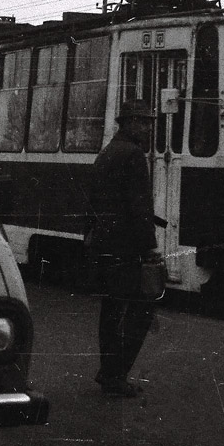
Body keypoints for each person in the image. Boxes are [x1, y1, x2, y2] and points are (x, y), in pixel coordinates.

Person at [86, 99, 162, 398]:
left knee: (112, 310)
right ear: (129, 122)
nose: (147, 127)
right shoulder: (133, 155)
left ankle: (109, 371)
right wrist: (150, 248)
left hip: (106, 245)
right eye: (143, 122)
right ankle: (115, 375)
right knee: (140, 310)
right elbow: (139, 208)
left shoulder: (108, 152)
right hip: (127, 247)